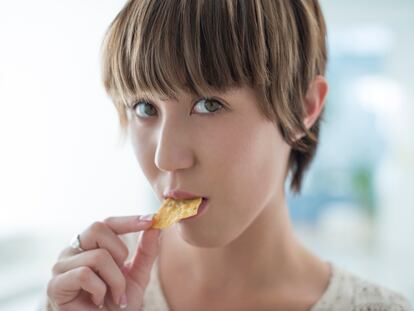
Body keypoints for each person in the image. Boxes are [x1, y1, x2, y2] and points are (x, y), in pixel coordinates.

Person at [42, 0, 412, 310]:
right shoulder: (92, 291)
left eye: (208, 104)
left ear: (304, 106)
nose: (165, 158)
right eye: (144, 107)